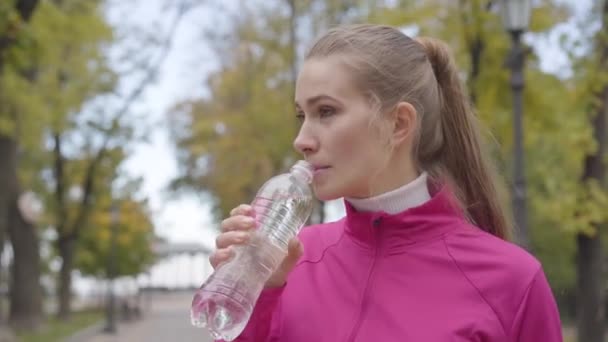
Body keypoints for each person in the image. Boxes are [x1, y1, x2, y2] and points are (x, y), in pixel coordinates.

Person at [210, 24, 563, 341]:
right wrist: (256, 288)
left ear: (398, 124)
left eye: (326, 112)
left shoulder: (512, 279)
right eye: (302, 115)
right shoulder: (290, 262)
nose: (302, 140)